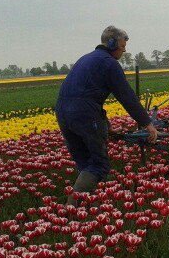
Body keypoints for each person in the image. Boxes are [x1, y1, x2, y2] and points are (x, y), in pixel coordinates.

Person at [55, 26, 157, 206]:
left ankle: (87, 210)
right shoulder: (109, 63)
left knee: (85, 164)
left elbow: (85, 94)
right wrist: (147, 123)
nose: (124, 50)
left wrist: (106, 126)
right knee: (98, 165)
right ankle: (70, 210)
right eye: (122, 46)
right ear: (111, 43)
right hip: (84, 114)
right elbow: (126, 96)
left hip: (63, 113)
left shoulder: (85, 59)